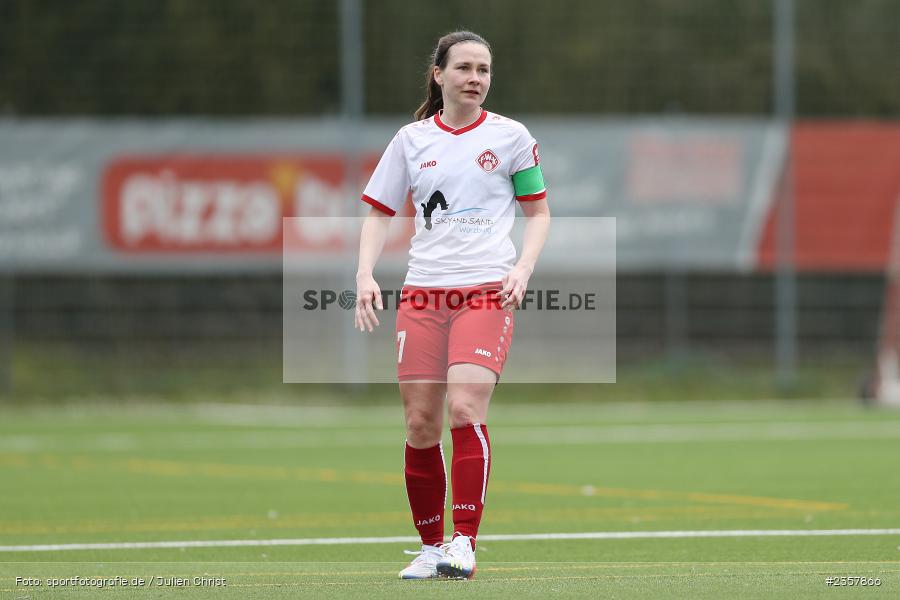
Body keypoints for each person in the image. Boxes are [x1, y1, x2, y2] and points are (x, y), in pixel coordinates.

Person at [354, 30, 551, 580]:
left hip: (485, 291)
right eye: (464, 67)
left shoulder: (512, 138)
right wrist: (365, 273)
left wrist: (521, 269)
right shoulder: (411, 140)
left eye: (484, 70)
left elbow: (538, 213)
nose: (475, 78)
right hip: (422, 294)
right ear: (438, 75)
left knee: (464, 407)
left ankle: (465, 542)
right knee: (421, 423)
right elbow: (379, 213)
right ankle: (431, 547)